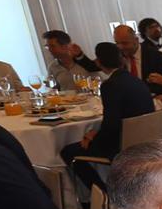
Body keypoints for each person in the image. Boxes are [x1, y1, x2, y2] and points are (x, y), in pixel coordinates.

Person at [60, 42, 155, 191]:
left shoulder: (110, 85)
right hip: (146, 139)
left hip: (122, 144)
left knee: (68, 152)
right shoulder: (135, 80)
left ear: (98, 62)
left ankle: (102, 194)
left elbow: (111, 125)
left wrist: (93, 138)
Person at [114, 23, 162, 95]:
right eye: (117, 43)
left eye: (125, 43)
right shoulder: (117, 57)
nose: (120, 47)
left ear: (136, 40)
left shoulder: (156, 56)